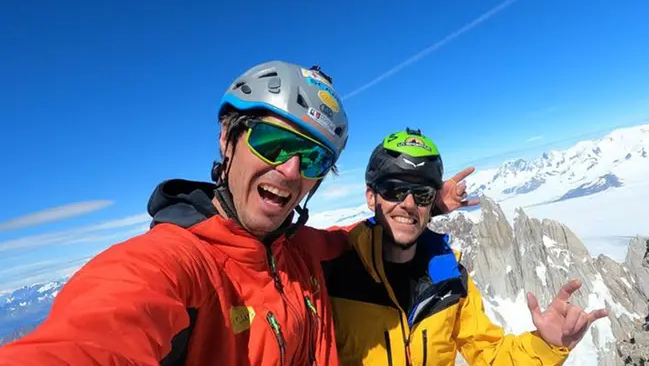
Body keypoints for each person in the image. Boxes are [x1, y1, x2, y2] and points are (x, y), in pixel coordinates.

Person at [0, 61, 354, 365]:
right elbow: (92, 336)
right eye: (272, 142)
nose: (291, 170)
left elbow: (353, 238)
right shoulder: (174, 264)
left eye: (313, 158)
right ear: (227, 139)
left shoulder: (301, 249)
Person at [320, 128, 609, 365]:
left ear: (432, 202)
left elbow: (489, 355)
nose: (408, 204)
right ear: (372, 197)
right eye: (394, 189)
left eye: (421, 194)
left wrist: (547, 345)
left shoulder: (450, 278)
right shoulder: (332, 271)